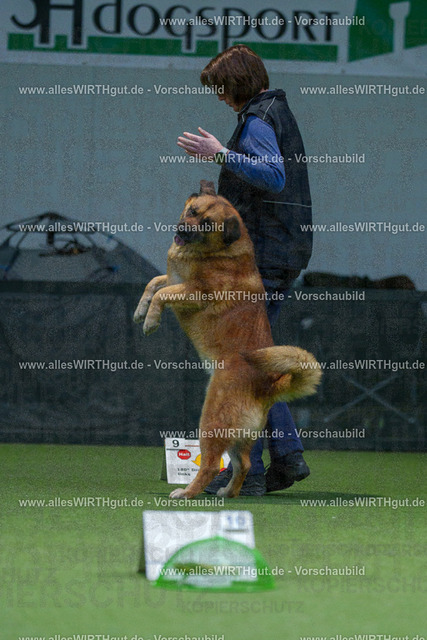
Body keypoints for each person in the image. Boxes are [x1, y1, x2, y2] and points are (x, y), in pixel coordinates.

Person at [177, 44, 313, 495]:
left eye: (220, 87)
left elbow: (273, 176)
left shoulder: (257, 121)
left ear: (237, 82)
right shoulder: (272, 112)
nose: (218, 96)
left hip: (266, 257)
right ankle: (286, 456)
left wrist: (220, 153)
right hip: (280, 251)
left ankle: (249, 473)